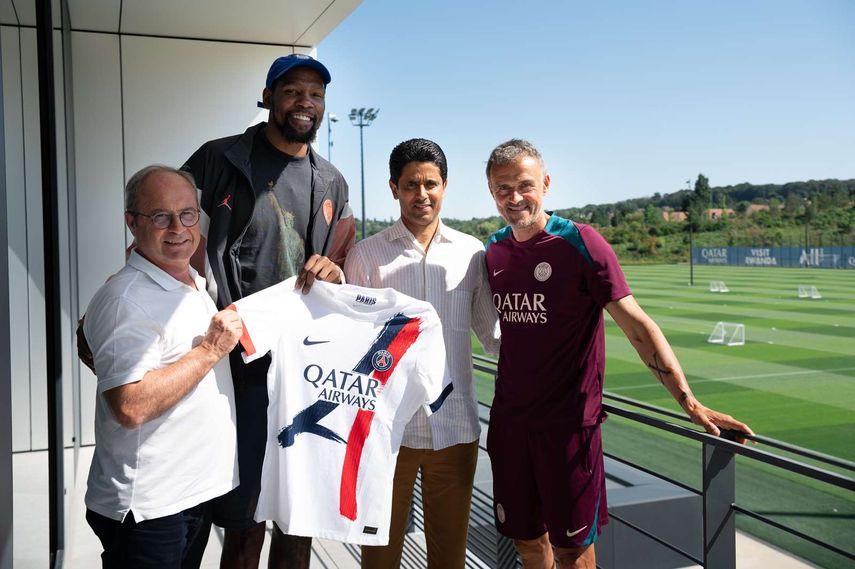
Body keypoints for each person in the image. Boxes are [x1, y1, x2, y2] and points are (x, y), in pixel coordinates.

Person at [483, 139, 754, 569]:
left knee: (572, 552)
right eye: (502, 189)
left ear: (546, 184)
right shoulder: (494, 250)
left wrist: (689, 401)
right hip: (510, 427)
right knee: (527, 543)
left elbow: (638, 327)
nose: (514, 198)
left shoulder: (581, 244)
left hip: (569, 430)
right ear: (491, 193)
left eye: (524, 185)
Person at [181, 54, 355, 568]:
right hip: (238, 370)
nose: (306, 103)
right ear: (268, 97)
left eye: (316, 94)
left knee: (299, 519)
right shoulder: (219, 159)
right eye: (293, 91)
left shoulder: (333, 181)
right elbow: (169, 236)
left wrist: (336, 274)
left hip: (304, 372)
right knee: (243, 521)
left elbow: (344, 264)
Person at [344, 138, 500, 568]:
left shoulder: (471, 253)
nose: (422, 194)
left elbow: (494, 337)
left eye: (431, 183)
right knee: (379, 555)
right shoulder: (366, 256)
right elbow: (350, 349)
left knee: (449, 557)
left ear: (445, 186)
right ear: (393, 188)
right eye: (411, 184)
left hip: (455, 428)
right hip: (385, 434)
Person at [83, 165, 242, 569]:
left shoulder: (192, 279)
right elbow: (130, 405)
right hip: (149, 511)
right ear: (132, 223)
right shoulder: (126, 298)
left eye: (187, 214)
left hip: (186, 498)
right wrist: (209, 350)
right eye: (160, 217)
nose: (178, 227)